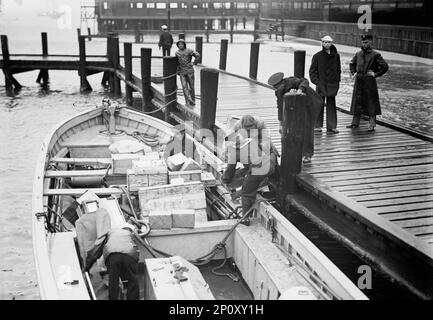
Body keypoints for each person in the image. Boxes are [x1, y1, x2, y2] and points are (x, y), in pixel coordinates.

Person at [222, 115, 279, 215]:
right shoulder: (237, 127)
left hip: (261, 165)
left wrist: (225, 180)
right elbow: (227, 139)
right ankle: (268, 180)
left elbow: (229, 171)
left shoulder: (260, 124)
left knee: (247, 192)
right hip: (267, 163)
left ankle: (246, 218)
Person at [268, 72, 322, 164]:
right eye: (275, 87)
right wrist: (281, 123)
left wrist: (300, 90)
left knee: (307, 128)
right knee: (295, 128)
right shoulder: (279, 92)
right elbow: (280, 107)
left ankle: (307, 154)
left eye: (277, 86)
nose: (277, 88)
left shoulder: (292, 81)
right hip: (298, 107)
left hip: (311, 104)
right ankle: (297, 151)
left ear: (282, 82)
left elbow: (305, 81)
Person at [85, 223, 140, 300]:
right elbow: (136, 248)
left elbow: (97, 250)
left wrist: (87, 266)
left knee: (113, 281)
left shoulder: (111, 232)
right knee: (132, 280)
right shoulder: (131, 234)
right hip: (129, 254)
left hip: (112, 255)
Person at [347, 34, 389, 131]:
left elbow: (385, 67)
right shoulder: (358, 54)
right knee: (357, 102)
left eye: (366, 42)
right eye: (363, 42)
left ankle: (372, 124)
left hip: (369, 83)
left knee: (371, 103)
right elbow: (352, 64)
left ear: (371, 43)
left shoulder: (376, 55)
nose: (364, 44)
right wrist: (353, 73)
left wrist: (375, 74)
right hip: (359, 81)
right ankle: (354, 123)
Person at [309, 35, 341, 134]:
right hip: (321, 84)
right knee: (319, 104)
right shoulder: (317, 56)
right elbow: (312, 72)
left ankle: (332, 127)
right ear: (322, 43)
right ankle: (317, 126)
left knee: (331, 105)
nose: (327, 44)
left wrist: (337, 80)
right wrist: (317, 82)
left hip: (332, 85)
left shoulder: (336, 56)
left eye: (329, 42)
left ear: (331, 43)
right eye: (325, 42)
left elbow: (338, 70)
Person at [175, 39, 200, 106]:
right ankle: (187, 101)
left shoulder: (189, 51)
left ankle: (193, 100)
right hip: (182, 72)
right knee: (184, 86)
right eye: (179, 44)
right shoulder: (177, 53)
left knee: (191, 86)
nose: (180, 45)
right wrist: (177, 70)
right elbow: (177, 62)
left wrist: (194, 63)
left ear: (184, 45)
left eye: (182, 44)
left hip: (190, 71)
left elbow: (197, 55)